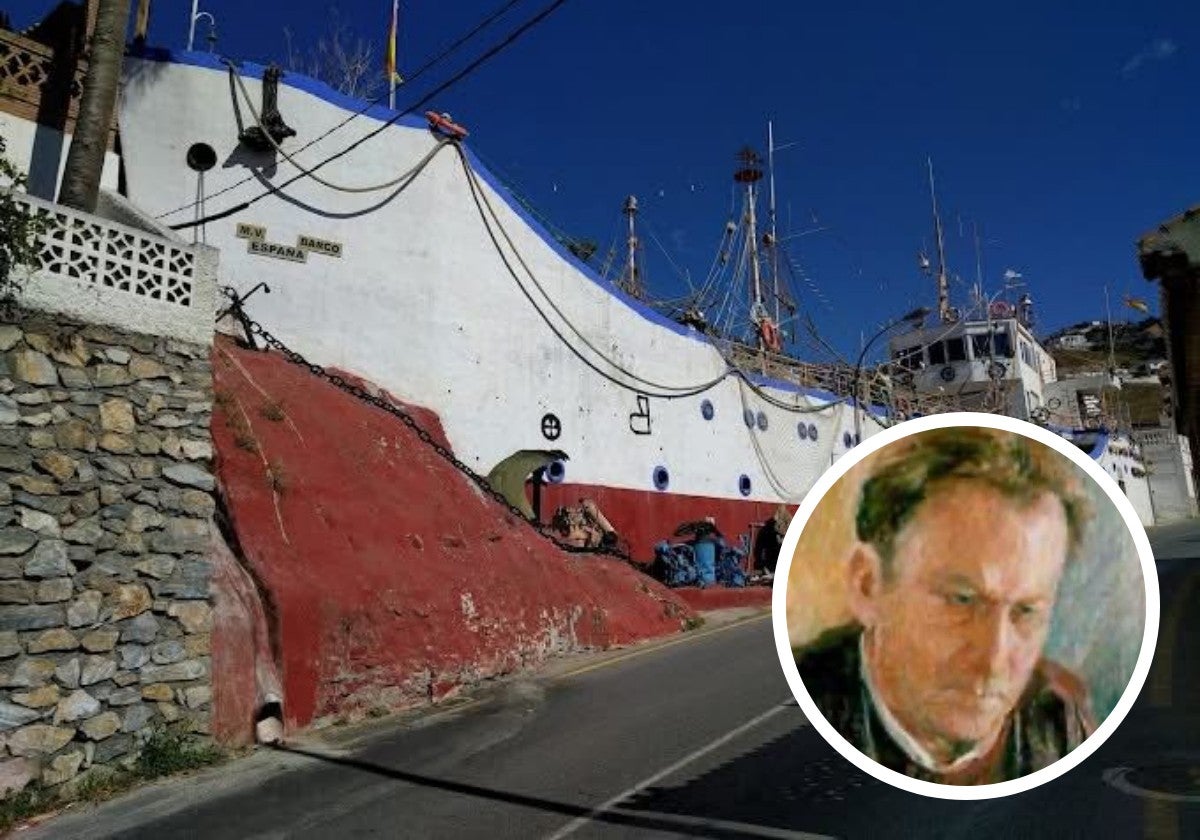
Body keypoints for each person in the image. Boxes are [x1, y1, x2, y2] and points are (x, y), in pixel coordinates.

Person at [794, 427, 1097, 785]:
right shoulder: (809, 697)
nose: (993, 661)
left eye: (1026, 611)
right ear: (868, 586)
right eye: (961, 600)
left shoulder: (1058, 716)